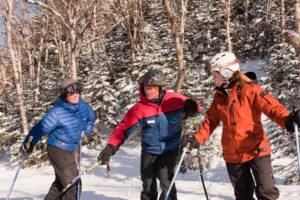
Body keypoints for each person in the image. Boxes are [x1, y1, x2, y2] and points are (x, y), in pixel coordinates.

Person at [187, 52, 300, 200]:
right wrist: (197, 139)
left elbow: (273, 108)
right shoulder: (219, 97)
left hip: (257, 150)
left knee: (267, 192)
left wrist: (288, 121)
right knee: (243, 195)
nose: (213, 78)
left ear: (226, 73)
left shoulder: (251, 90)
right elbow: (210, 121)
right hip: (233, 154)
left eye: (215, 74)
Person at [97, 69, 201, 200]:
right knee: (148, 183)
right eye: (146, 88)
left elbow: (196, 109)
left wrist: (193, 106)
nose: (147, 91)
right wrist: (110, 147)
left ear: (160, 88)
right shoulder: (139, 108)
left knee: (166, 179)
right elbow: (123, 129)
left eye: (151, 88)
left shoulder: (175, 100)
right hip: (149, 150)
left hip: (170, 148)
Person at [20, 78, 96, 200]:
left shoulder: (84, 107)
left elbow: (91, 118)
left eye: (78, 93)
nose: (76, 96)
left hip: (72, 149)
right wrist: (28, 143)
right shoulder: (56, 112)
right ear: (64, 95)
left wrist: (86, 131)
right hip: (58, 150)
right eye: (72, 93)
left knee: (61, 184)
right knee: (73, 186)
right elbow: (40, 128)